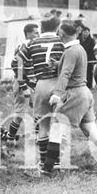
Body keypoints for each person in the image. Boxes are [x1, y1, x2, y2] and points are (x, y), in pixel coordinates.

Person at [43, 20, 97, 176]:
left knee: (56, 129)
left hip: (74, 94)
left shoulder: (71, 51)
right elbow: (72, 68)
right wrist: (57, 65)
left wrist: (57, 93)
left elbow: (66, 73)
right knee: (91, 131)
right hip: (85, 93)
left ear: (61, 34)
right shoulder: (78, 48)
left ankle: (46, 170)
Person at [18, 13, 64, 168]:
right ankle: (55, 160)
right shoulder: (62, 41)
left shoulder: (32, 43)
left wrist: (24, 83)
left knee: (43, 125)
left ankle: (44, 161)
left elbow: (16, 62)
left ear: (42, 27)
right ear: (57, 27)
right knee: (57, 123)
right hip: (59, 84)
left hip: (41, 84)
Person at [6, 23, 39, 144]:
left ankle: (37, 138)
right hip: (23, 84)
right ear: (28, 34)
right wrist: (24, 84)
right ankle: (10, 138)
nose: (38, 34)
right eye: (36, 32)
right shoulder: (23, 46)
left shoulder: (34, 46)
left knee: (38, 112)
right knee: (20, 114)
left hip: (33, 84)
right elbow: (15, 65)